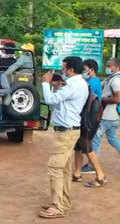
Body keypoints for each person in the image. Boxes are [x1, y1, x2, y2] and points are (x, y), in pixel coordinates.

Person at [39, 56, 89, 219]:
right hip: (69, 131)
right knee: (65, 169)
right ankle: (63, 202)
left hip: (65, 133)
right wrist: (55, 87)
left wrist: (46, 83)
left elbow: (50, 100)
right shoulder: (76, 83)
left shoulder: (74, 84)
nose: (62, 71)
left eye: (64, 68)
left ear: (71, 69)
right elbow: (60, 102)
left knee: (55, 168)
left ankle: (57, 206)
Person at [72, 59, 106, 188]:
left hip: (90, 118)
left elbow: (90, 102)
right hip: (85, 117)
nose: (84, 71)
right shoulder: (88, 82)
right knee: (78, 146)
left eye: (85, 69)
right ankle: (77, 173)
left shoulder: (93, 82)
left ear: (91, 69)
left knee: (85, 145)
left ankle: (100, 176)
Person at [89, 58, 120, 181]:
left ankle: (92, 165)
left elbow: (118, 99)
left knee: (95, 137)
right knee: (112, 139)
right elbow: (98, 85)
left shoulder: (116, 80)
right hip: (112, 117)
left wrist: (103, 100)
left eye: (109, 65)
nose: (107, 67)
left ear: (116, 66)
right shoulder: (110, 78)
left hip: (107, 116)